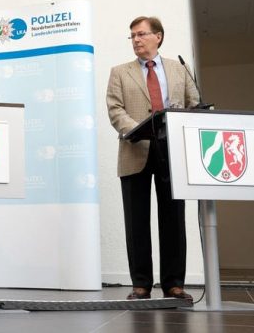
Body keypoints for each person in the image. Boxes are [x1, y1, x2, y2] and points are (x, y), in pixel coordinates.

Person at [106, 16, 199, 301]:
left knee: (173, 220)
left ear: (158, 36)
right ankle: (141, 285)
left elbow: (194, 104)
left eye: (141, 34)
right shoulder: (119, 72)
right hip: (135, 149)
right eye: (132, 35)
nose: (136, 40)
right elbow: (115, 109)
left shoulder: (179, 68)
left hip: (172, 151)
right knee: (136, 222)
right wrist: (137, 129)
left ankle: (174, 285)